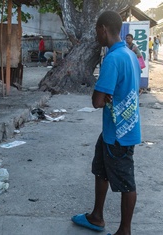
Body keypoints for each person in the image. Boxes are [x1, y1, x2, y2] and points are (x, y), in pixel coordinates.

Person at [71, 11, 141, 235]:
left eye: (96, 31)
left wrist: (103, 96)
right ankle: (97, 216)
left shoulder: (112, 58)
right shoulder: (129, 54)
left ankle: (125, 231)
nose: (96, 36)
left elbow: (97, 101)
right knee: (100, 170)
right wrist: (109, 96)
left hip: (119, 133)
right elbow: (129, 87)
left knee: (126, 182)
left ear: (103, 29)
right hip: (117, 128)